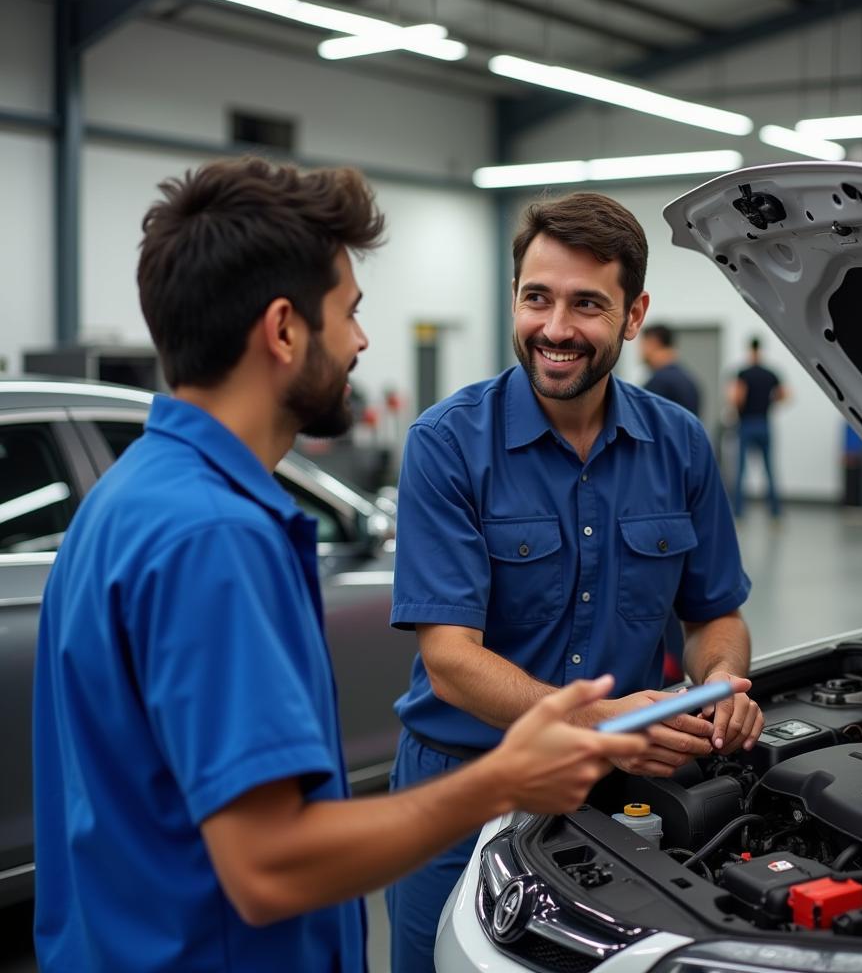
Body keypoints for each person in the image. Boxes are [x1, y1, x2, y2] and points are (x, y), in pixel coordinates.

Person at [31, 159, 649, 973]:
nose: (360, 341)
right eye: (348, 313)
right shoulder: (212, 537)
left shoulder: (125, 500)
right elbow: (268, 866)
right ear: (285, 329)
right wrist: (504, 779)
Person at [388, 191, 764, 971]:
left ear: (634, 314)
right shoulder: (448, 445)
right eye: (537, 298)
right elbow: (452, 660)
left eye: (587, 304)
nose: (555, 329)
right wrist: (603, 720)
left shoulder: (680, 445)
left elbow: (713, 615)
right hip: (463, 788)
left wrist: (723, 682)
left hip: (612, 797)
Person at [728, 336, 789, 518]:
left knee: (740, 470)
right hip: (764, 423)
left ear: (749, 350)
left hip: (746, 423)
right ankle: (775, 512)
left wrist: (737, 410)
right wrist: (769, 402)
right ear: (761, 349)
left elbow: (738, 398)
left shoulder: (743, 373)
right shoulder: (770, 373)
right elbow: (785, 395)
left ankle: (738, 511)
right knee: (769, 469)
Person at [639, 323, 701, 417]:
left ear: (653, 343)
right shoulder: (688, 380)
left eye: (643, 345)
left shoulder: (659, 382)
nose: (640, 351)